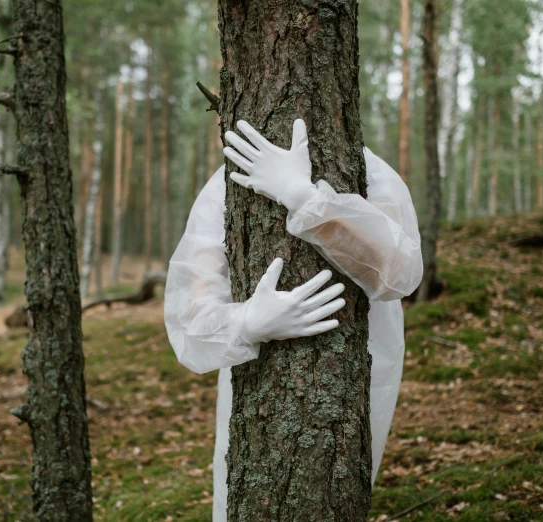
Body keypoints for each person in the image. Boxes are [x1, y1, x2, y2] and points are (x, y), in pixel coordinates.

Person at [164, 118, 423, 521]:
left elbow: (398, 271)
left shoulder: (369, 173)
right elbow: (190, 312)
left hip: (360, 371)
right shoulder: (227, 183)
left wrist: (303, 197)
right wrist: (247, 323)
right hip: (255, 381)